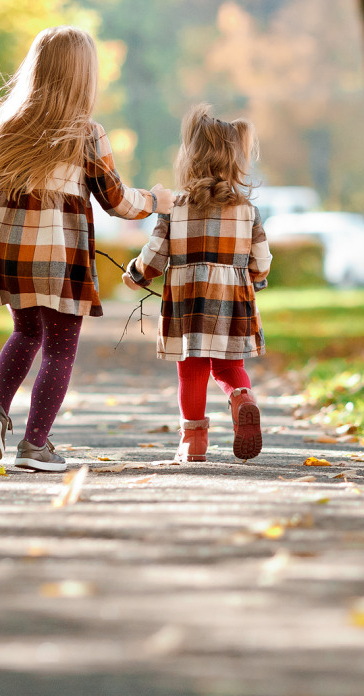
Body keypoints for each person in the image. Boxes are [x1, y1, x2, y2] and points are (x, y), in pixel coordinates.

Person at [0, 26, 171, 472]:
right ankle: (35, 445)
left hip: (10, 255)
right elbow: (116, 201)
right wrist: (156, 201)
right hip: (60, 258)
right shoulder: (86, 135)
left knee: (25, 333)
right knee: (59, 347)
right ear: (83, 78)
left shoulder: (5, 127)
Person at [123, 105, 271, 462]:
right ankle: (241, 397)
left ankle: (194, 442)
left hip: (188, 303)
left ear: (189, 158)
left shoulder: (174, 207)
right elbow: (262, 262)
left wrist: (136, 274)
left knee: (191, 371)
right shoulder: (247, 210)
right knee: (229, 365)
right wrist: (254, 281)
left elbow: (155, 254)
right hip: (232, 299)